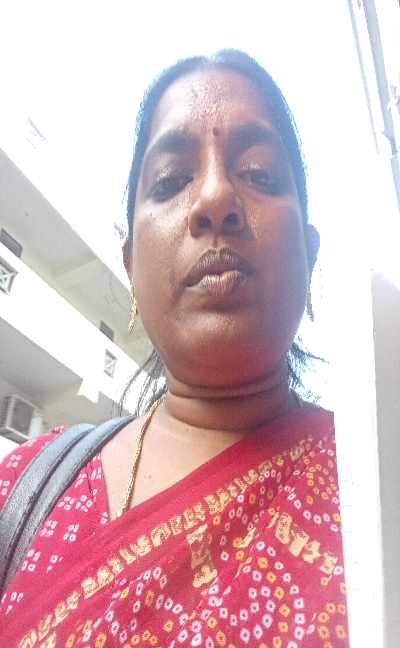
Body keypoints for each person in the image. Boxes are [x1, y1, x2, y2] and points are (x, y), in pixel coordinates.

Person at [0, 50, 349, 647]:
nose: (215, 197)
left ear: (310, 256)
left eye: (259, 173)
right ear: (131, 265)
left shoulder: (378, 483)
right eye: (170, 181)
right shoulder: (22, 489)